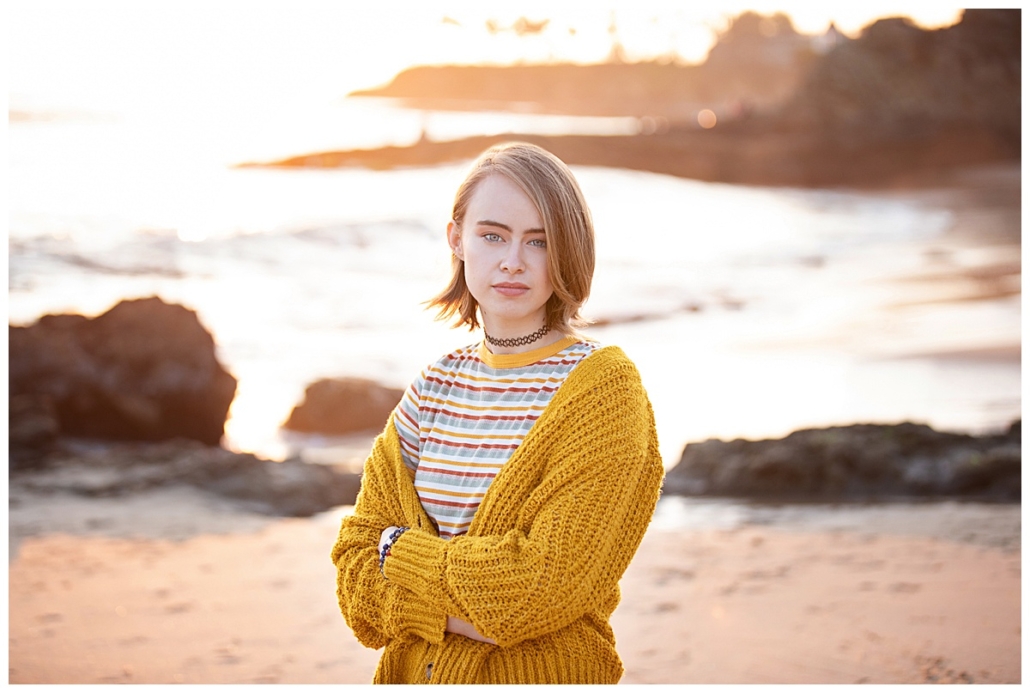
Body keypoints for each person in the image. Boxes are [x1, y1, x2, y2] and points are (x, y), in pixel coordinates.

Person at [330, 141, 663, 684]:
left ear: (569, 250)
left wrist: (401, 553)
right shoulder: (432, 390)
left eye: (540, 241)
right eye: (492, 235)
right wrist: (462, 609)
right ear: (456, 239)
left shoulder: (603, 392)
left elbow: (540, 589)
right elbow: (355, 577)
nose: (513, 260)